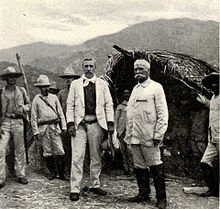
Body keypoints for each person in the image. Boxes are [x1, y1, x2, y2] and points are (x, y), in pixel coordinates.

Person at [66, 57, 114, 201]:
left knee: (96, 156)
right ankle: (75, 188)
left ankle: (95, 185)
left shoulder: (102, 84)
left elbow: (108, 104)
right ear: (82, 67)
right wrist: (70, 124)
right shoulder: (75, 84)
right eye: (86, 66)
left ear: (95, 67)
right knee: (77, 156)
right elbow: (70, 105)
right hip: (80, 124)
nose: (88, 68)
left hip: (96, 123)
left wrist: (110, 122)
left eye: (91, 66)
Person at [125, 59, 168, 209]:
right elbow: (131, 113)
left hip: (150, 136)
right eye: (136, 69)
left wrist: (158, 134)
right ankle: (143, 193)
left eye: (141, 69)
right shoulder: (135, 89)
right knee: (139, 166)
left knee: (155, 166)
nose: (138, 72)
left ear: (148, 71)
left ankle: (161, 198)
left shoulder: (156, 88)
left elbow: (163, 114)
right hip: (135, 136)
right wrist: (129, 135)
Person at [31, 75, 67, 181]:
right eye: (43, 87)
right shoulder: (36, 100)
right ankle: (52, 172)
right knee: (47, 151)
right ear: (39, 88)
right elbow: (33, 117)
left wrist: (64, 126)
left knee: (60, 150)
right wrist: (35, 132)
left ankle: (62, 173)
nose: (45, 89)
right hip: (43, 128)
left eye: (47, 86)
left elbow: (60, 113)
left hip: (54, 127)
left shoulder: (54, 98)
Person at [0, 66, 30, 188]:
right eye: (9, 77)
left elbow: (29, 104)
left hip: (18, 122)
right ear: (6, 79)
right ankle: (1, 178)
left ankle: (21, 175)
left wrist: (23, 108)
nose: (11, 79)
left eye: (13, 77)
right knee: (1, 149)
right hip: (5, 122)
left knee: (20, 148)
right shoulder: (1, 92)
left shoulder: (21, 91)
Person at [197, 72, 219, 197]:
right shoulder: (213, 97)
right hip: (212, 137)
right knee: (205, 163)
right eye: (212, 83)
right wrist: (203, 100)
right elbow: (212, 107)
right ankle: (213, 189)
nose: (214, 85)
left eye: (217, 82)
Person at [58, 66, 80, 176]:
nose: (68, 80)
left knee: (76, 149)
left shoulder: (78, 92)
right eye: (66, 78)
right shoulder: (61, 94)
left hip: (76, 125)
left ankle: (75, 171)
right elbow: (58, 110)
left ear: (74, 79)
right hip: (64, 125)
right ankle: (66, 171)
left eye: (70, 78)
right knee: (65, 149)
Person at [115, 89, 134, 175]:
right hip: (121, 132)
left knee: (130, 150)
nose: (127, 96)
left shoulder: (133, 106)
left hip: (130, 131)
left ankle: (132, 168)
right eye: (125, 94)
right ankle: (126, 168)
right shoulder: (120, 107)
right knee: (123, 151)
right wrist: (115, 131)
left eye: (128, 94)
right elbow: (116, 119)